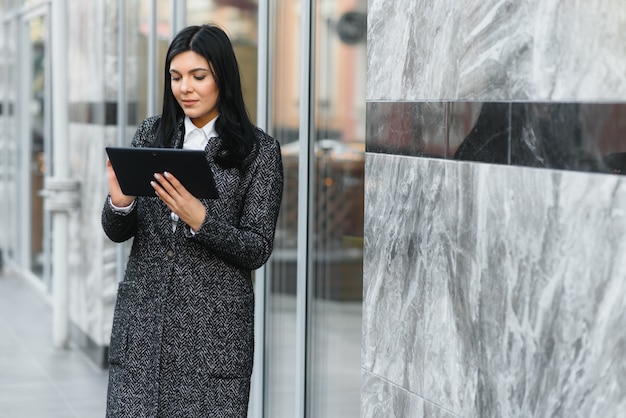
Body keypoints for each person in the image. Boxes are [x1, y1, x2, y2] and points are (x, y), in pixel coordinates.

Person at [101, 24, 283, 417]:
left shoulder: (258, 152)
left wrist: (201, 220)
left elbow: (256, 248)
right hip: (145, 327)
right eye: (176, 77)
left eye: (198, 77)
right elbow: (117, 231)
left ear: (223, 78)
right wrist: (120, 203)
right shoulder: (152, 134)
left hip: (212, 338)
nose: (185, 88)